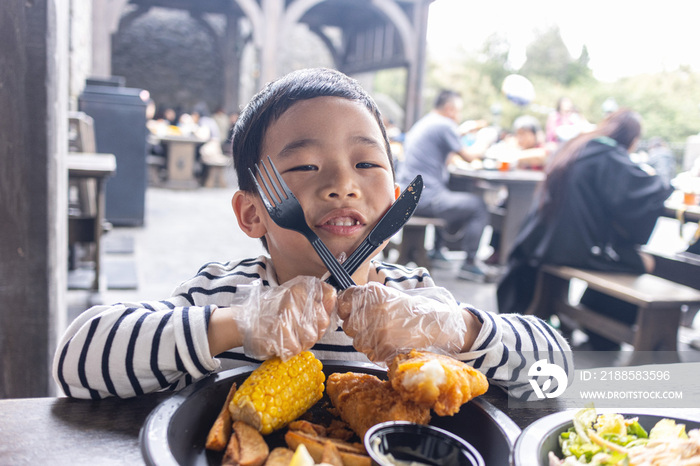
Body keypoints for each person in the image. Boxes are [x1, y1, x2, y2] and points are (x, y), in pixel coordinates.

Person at [53, 68, 572, 401]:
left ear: (394, 202)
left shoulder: (421, 305)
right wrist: (236, 325)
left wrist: (459, 330)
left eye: (367, 162)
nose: (343, 185)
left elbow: (557, 372)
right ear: (253, 214)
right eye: (302, 166)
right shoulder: (219, 296)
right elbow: (75, 361)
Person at [497, 109, 673, 348]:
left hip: (540, 243)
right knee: (646, 260)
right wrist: (664, 172)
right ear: (631, 139)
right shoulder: (608, 155)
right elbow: (649, 191)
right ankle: (605, 329)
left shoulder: (578, 145)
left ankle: (594, 321)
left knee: (622, 253)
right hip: (570, 248)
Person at [397, 90, 490, 281]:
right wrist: (487, 139)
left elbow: (446, 158)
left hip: (408, 194)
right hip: (424, 198)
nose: (459, 116)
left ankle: (437, 251)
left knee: (450, 192)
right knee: (478, 206)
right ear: (450, 109)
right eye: (459, 111)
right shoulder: (444, 125)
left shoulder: (425, 122)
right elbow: (470, 156)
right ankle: (469, 265)